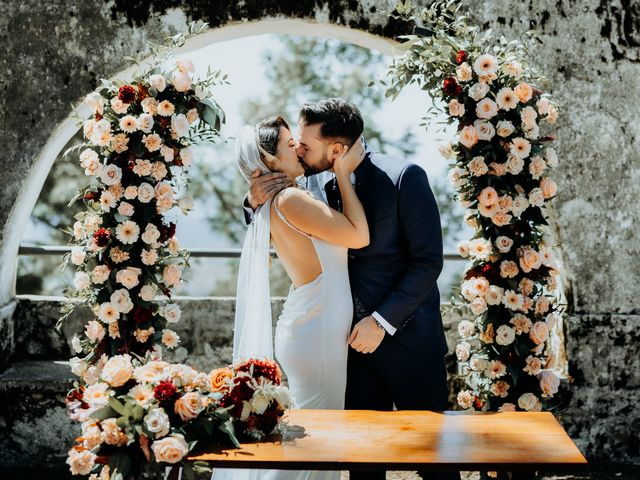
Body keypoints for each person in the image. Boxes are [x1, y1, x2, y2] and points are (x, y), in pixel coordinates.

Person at [246, 98, 458, 480]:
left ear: (337, 149)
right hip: (345, 349)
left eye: (306, 145)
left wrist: (381, 322)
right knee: (361, 463)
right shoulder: (310, 180)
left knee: (434, 462)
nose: (299, 151)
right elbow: (274, 216)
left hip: (410, 343)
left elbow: (428, 262)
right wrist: (251, 201)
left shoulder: (404, 176)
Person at [213, 114, 367, 480]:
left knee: (310, 442)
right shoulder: (292, 199)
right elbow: (358, 236)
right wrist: (344, 175)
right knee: (314, 446)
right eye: (289, 144)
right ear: (270, 162)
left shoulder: (278, 199)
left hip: (312, 325)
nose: (298, 147)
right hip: (317, 331)